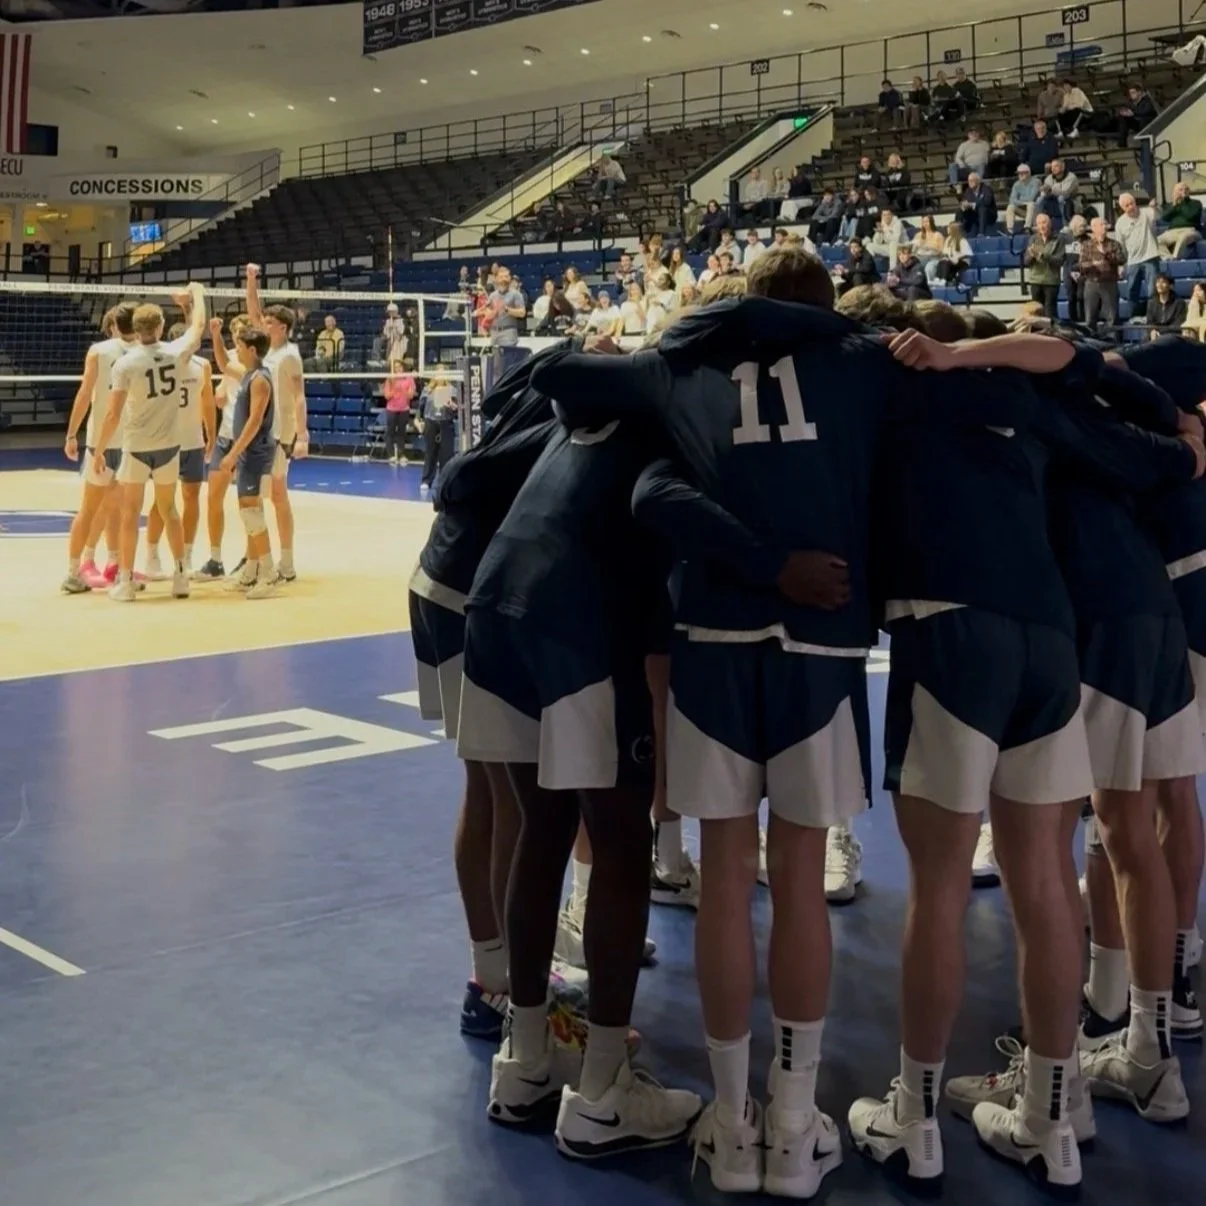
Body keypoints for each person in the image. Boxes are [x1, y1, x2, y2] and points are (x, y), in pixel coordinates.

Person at [844, 305, 1205, 1194]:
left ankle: (915, 1114)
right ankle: (1054, 1114)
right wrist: (1184, 440)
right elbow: (1086, 367)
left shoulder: (880, 392)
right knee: (1049, 872)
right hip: (1053, 634)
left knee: (939, 885)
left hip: (957, 626)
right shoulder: (1029, 401)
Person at [456, 340, 702, 1157]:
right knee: (624, 844)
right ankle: (602, 1088)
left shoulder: (582, 413)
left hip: (496, 605)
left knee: (543, 830)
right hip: (578, 624)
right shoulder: (674, 412)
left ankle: (526, 1058)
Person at [89, 283, 208, 603]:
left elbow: (112, 414)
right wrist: (197, 293)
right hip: (170, 446)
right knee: (170, 509)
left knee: (130, 513)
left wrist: (99, 450)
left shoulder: (125, 364)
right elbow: (198, 327)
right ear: (160, 327)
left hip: (136, 447)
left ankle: (126, 582)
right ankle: (181, 576)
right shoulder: (176, 352)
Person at [61, 303, 137, 594]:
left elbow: (84, 393)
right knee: (119, 508)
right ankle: (116, 566)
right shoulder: (150, 352)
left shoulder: (99, 351)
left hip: (101, 440)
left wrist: (71, 434)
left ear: (114, 325)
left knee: (90, 508)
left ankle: (74, 570)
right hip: (133, 441)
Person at [245, 263, 307, 584]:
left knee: (277, 497)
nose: (263, 325)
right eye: (265, 322)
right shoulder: (266, 349)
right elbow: (253, 312)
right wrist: (251, 279)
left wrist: (302, 435)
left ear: (282, 327)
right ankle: (257, 558)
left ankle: (286, 560)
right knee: (255, 496)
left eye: (269, 323)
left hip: (280, 435)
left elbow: (299, 396)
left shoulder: (290, 356)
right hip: (261, 433)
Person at [143, 318, 214, 580]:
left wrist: (211, 433)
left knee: (191, 497)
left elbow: (207, 403)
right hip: (167, 442)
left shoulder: (202, 366)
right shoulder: (160, 364)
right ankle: (152, 555)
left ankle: (185, 555)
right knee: (162, 502)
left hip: (193, 441)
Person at [217, 326, 278, 601]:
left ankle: (268, 574)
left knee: (251, 512)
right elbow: (223, 363)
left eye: (240, 346)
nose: (236, 350)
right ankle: (251, 570)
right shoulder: (248, 375)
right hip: (249, 453)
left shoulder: (260, 381)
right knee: (248, 511)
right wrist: (215, 335)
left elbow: (254, 421)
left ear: (253, 350)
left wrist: (232, 453)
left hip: (255, 452)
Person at [1116, 192, 1161, 321]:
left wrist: (1154, 207)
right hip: (1132, 261)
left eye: (1132, 203)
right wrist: (1121, 265)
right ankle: (1133, 317)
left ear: (1135, 202)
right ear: (1122, 208)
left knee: (1152, 291)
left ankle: (1153, 318)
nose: (1130, 207)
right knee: (1131, 291)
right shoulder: (1120, 223)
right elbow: (1120, 246)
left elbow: (1158, 215)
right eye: (1126, 205)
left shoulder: (1147, 213)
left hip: (1150, 256)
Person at [1078, 215, 1125, 333]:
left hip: (1109, 283)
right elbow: (1081, 265)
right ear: (1094, 228)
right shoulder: (1086, 245)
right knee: (1090, 317)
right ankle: (1091, 342)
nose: (1105, 227)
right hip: (1092, 283)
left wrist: (1107, 255)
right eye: (1102, 224)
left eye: (1105, 224)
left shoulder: (1114, 244)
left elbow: (1121, 259)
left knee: (1112, 317)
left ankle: (1113, 342)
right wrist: (1093, 264)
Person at [418, 373, 458, 495]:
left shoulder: (452, 390)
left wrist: (452, 406)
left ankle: (445, 481)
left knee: (446, 454)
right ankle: (426, 480)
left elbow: (457, 409)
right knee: (430, 453)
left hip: (446, 423)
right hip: (431, 423)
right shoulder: (427, 390)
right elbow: (421, 408)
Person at [1024, 212, 1065, 319]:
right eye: (1039, 224)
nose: (1042, 226)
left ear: (1050, 224)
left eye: (1044, 223)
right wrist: (1032, 256)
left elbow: (1059, 260)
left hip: (1051, 281)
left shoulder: (1058, 239)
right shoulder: (1033, 239)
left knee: (1050, 313)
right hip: (1035, 281)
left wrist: (1042, 255)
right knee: (1036, 313)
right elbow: (1026, 262)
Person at [1155, 180, 1203, 260]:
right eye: (1180, 190)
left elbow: (1190, 215)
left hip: (1190, 231)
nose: (1183, 192)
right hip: (1172, 232)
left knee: (1183, 236)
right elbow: (1164, 218)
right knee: (1156, 241)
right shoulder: (1173, 205)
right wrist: (1175, 204)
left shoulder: (1196, 203)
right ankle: (1169, 258)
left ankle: (1175, 258)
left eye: (1185, 189)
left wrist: (1184, 200)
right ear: (1175, 192)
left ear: (1189, 191)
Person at [382, 359, 416, 465]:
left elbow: (411, 395)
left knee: (402, 433)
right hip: (391, 409)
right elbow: (387, 395)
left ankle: (401, 455)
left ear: (403, 367)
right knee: (390, 432)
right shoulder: (390, 379)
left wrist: (403, 390)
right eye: (396, 367)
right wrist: (393, 388)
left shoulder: (409, 379)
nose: (398, 369)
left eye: (400, 367)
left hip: (404, 409)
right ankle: (391, 455)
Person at [1005, 164, 1042, 234]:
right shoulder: (1016, 184)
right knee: (1010, 206)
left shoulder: (1036, 182)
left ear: (1028, 173)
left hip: (1036, 211)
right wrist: (1022, 201)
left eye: (1023, 173)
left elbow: (1031, 198)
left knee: (1031, 204)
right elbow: (1011, 200)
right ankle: (1010, 230)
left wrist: (1019, 199)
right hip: (1024, 211)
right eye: (1019, 173)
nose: (1020, 175)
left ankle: (1027, 227)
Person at [959, 172, 997, 238]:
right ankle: (958, 232)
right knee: (959, 210)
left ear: (978, 181)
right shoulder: (968, 191)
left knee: (982, 208)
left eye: (971, 180)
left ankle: (981, 233)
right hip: (975, 215)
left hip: (989, 215)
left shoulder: (986, 189)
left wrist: (972, 204)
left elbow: (987, 202)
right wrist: (964, 205)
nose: (969, 183)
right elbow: (964, 201)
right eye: (968, 181)